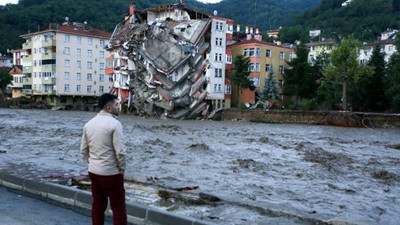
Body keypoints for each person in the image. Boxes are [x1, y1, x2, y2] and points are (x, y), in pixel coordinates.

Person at [80, 93, 127, 225]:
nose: (119, 107)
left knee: (98, 204)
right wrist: (122, 168)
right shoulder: (115, 124)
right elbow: (120, 152)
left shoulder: (89, 124)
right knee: (118, 206)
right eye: (117, 105)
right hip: (111, 173)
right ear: (109, 108)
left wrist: (93, 162)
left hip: (94, 172)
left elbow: (83, 149)